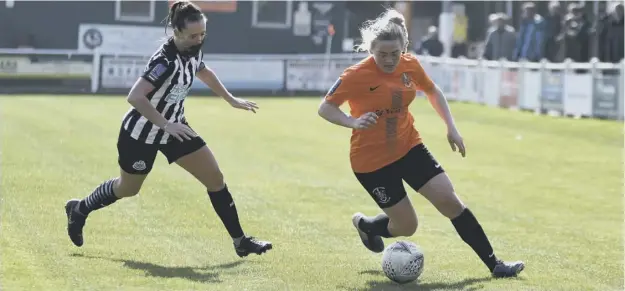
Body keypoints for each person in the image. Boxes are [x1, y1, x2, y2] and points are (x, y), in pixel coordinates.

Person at [317, 8, 524, 278]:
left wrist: (451, 127)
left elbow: (432, 91)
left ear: (403, 48)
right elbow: (325, 108)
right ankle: (367, 226)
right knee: (407, 226)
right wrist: (352, 122)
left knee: (450, 202)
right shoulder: (354, 75)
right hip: (371, 162)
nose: (390, 60)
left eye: (395, 53)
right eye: (382, 54)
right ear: (371, 50)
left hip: (409, 147)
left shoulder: (410, 65)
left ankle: (495, 264)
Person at [64, 0, 272, 258]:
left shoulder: (193, 50)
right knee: (128, 188)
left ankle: (241, 242)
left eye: (202, 34)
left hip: (177, 129)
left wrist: (230, 99)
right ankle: (80, 209)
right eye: (193, 35)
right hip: (141, 133)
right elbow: (135, 96)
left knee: (215, 179)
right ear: (176, 32)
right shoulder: (164, 61)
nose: (199, 40)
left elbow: (203, 71)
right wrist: (165, 124)